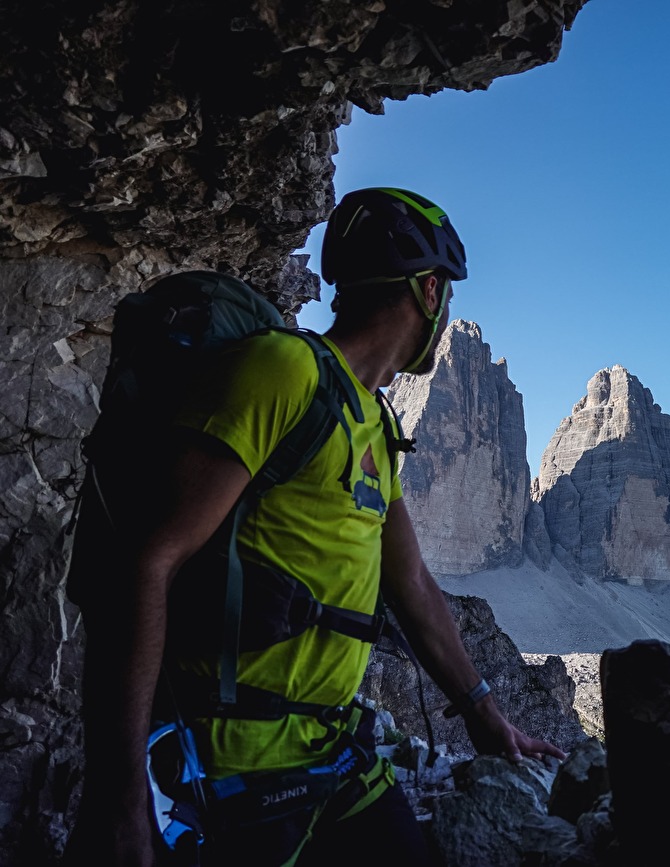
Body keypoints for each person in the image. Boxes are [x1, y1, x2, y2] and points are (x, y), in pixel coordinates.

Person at [67, 187, 566, 867]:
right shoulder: (283, 371)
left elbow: (411, 581)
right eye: (445, 295)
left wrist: (486, 715)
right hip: (230, 769)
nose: (447, 315)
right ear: (427, 292)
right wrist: (120, 796)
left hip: (335, 757)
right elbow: (149, 560)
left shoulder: (376, 422)